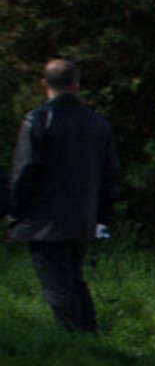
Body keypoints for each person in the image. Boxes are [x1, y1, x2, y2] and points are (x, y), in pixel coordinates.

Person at [6, 58, 119, 333]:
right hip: (82, 217)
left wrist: (15, 210)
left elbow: (26, 171)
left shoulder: (38, 120)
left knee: (57, 287)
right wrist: (101, 218)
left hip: (44, 219)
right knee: (75, 280)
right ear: (76, 85)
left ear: (43, 84)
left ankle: (70, 342)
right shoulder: (98, 124)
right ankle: (89, 338)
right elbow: (110, 176)